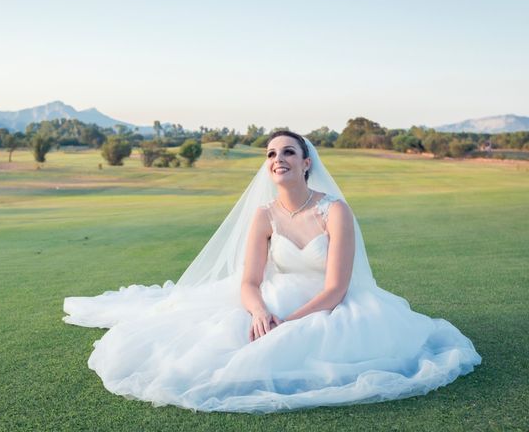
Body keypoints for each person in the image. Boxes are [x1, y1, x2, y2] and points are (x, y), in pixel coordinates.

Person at [63, 131, 481, 413]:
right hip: (275, 295)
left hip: (330, 303)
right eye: (270, 154)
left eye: (287, 152)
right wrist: (261, 313)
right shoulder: (263, 216)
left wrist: (288, 324)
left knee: (317, 349)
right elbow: (248, 281)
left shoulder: (334, 211)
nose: (277, 159)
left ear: (305, 164)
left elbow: (336, 288)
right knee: (214, 346)